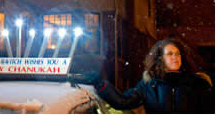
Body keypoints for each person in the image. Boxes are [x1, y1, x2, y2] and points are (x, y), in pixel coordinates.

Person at [86, 38, 214, 113]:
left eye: (178, 53)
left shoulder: (196, 84)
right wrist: (100, 83)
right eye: (170, 54)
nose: (175, 57)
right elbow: (123, 102)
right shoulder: (149, 84)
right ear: (160, 59)